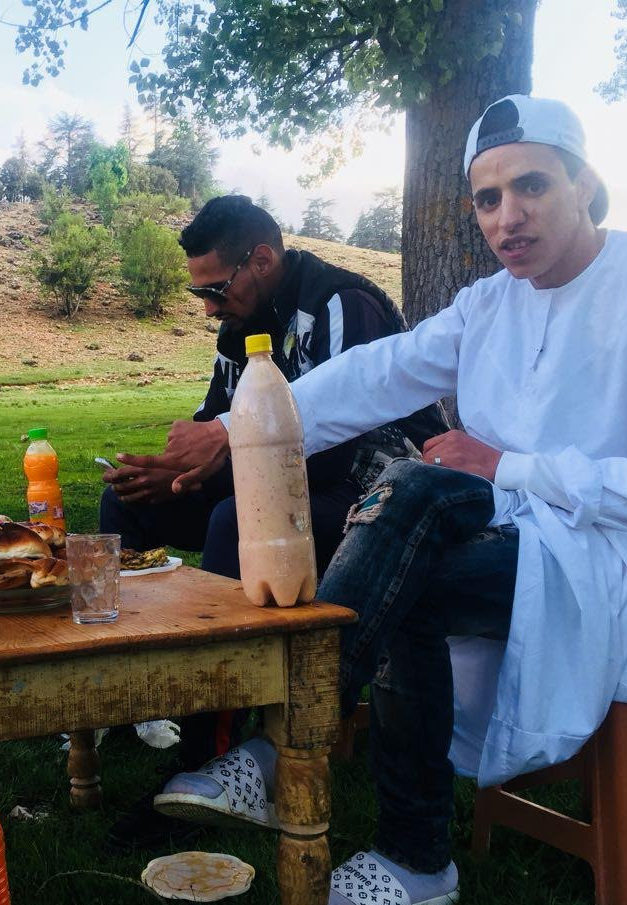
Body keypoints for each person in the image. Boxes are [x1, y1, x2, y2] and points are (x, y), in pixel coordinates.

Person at [140, 95, 627, 905]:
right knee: (415, 497)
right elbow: (375, 374)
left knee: (412, 538)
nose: (508, 217)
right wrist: (234, 428)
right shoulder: (491, 304)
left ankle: (308, 756)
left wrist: (505, 464)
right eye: (487, 198)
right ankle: (377, 822)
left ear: (585, 185)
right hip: (531, 533)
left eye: (532, 186)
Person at [99, 195, 448, 848]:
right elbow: (218, 424)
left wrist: (222, 457)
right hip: (285, 480)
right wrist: (173, 470)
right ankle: (128, 697)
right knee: (129, 504)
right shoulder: (240, 325)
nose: (209, 307)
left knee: (238, 524)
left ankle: (209, 761)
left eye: (215, 289)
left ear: (261, 259)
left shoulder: (343, 304)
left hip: (373, 491)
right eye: (199, 293)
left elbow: (339, 446)